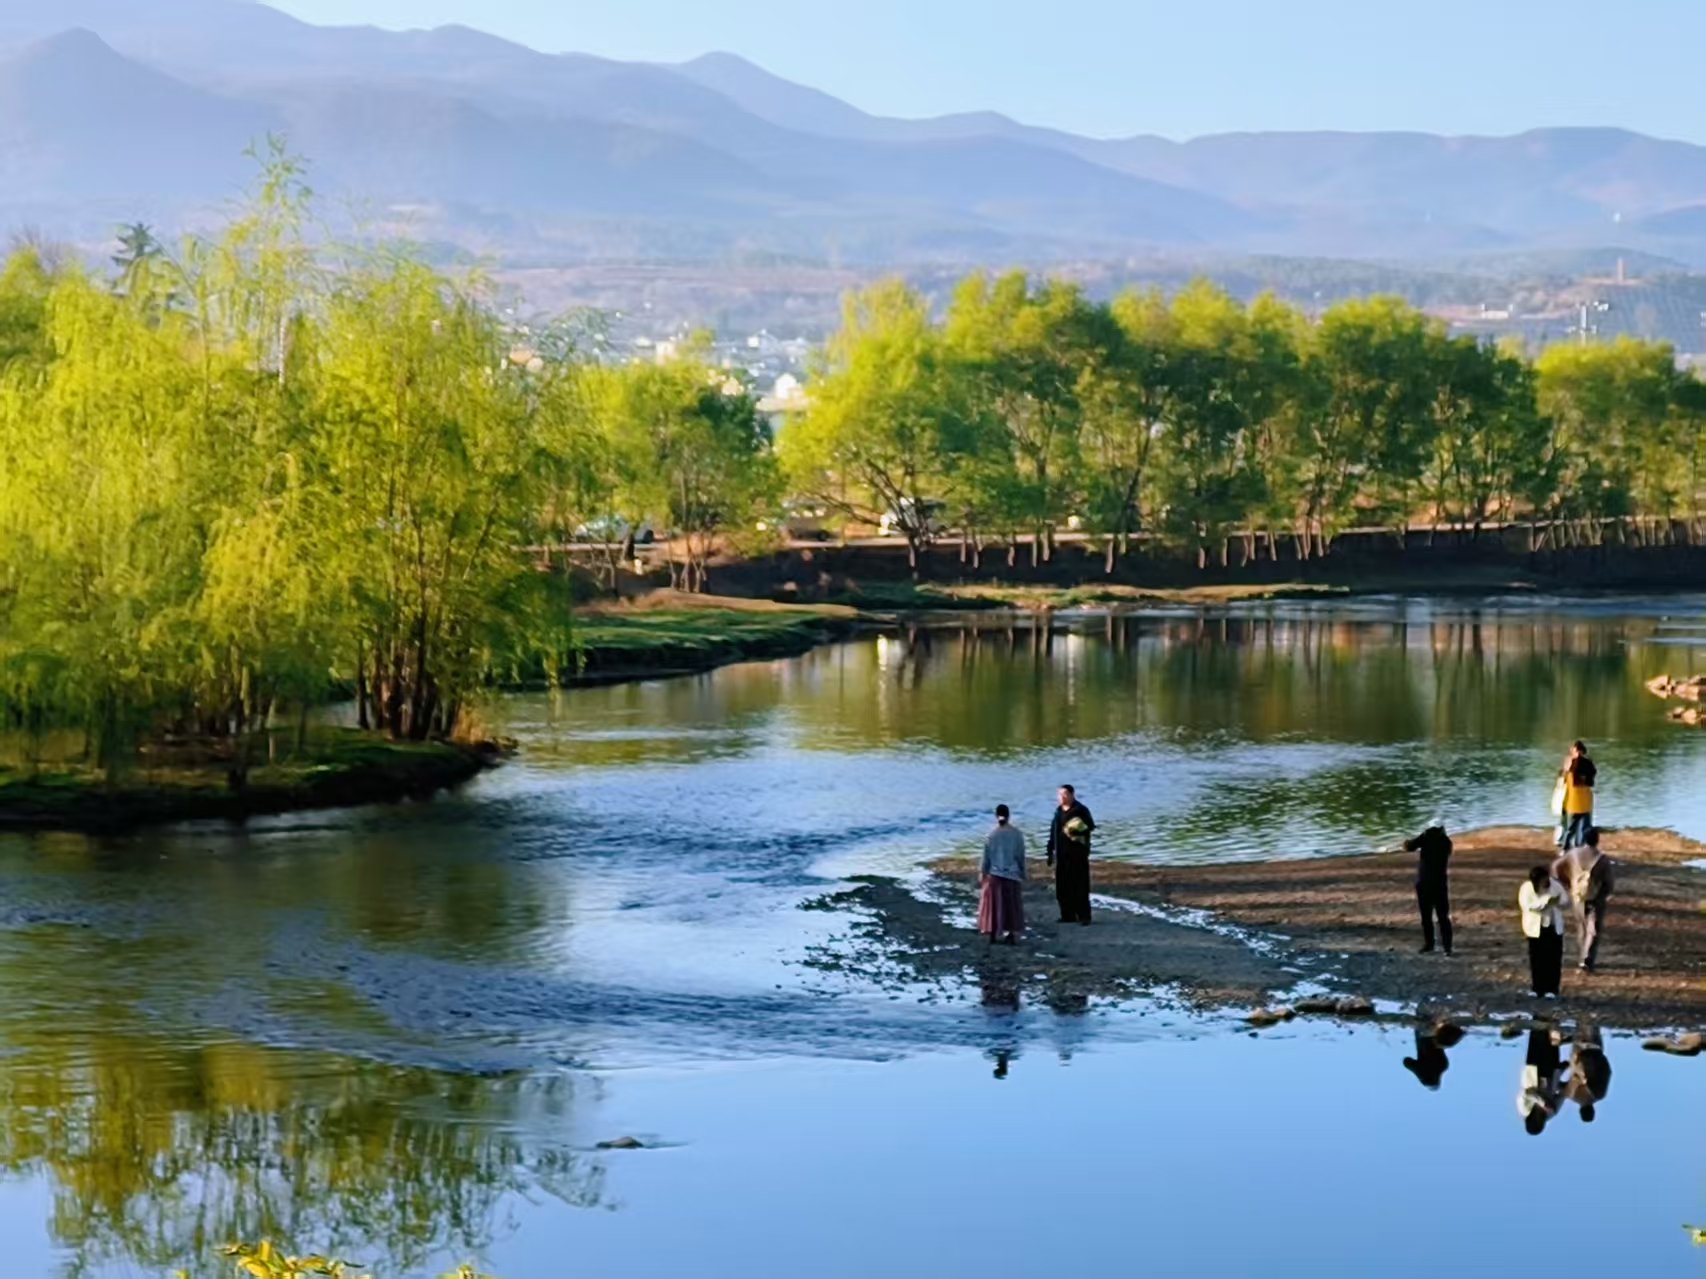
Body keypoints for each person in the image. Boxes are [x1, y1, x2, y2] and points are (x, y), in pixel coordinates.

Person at [1551, 826, 1615, 972]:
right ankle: (1587, 958)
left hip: (1577, 896)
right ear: (1597, 840)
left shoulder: (1573, 854)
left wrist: (1566, 883)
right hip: (1595, 897)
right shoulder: (1602, 859)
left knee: (1581, 927)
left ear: (1583, 839)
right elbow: (1609, 881)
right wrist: (1607, 893)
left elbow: (1556, 866)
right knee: (1593, 929)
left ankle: (1581, 958)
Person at [1402, 820, 1454, 955]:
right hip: (1440, 884)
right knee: (1443, 917)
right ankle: (1447, 948)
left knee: (1426, 917)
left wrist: (1405, 841)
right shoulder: (1446, 842)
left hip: (1424, 883)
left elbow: (1409, 847)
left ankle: (1429, 944)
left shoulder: (1425, 838)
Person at [1046, 785, 1096, 925]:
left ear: (1072, 795)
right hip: (1061, 855)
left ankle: (1084, 916)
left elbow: (1090, 827)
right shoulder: (1058, 812)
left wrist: (1076, 830)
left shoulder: (1080, 810)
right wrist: (1050, 852)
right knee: (1062, 887)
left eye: (1065, 794)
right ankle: (1067, 914)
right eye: (1059, 795)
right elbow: (1052, 833)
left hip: (1078, 855)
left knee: (1079, 886)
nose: (1062, 798)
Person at [978, 804, 1027, 945]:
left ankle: (993, 934)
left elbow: (985, 857)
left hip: (995, 875)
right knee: (1011, 906)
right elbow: (1020, 856)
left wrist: (982, 872)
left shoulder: (991, 835)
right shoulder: (1017, 834)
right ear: (1009, 815)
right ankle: (1011, 934)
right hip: (1011, 874)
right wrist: (1023, 873)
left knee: (994, 907)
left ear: (996, 816)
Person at [1518, 865, 1570, 998]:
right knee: (1537, 959)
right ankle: (1537, 987)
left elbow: (1565, 901)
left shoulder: (1555, 885)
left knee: (1553, 959)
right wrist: (1545, 902)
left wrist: (1557, 902)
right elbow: (1527, 906)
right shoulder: (1527, 888)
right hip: (1535, 928)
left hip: (1553, 926)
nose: (1546, 882)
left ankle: (1552, 988)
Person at [1562, 1020, 1612, 1123]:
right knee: (1580, 1023)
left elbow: (1607, 1071)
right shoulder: (1572, 1095)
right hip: (1578, 1055)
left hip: (1594, 1052)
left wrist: (1601, 1057)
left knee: (1592, 1022)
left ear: (1593, 1110)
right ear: (1580, 1110)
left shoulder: (1600, 1094)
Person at [1518, 1027, 1563, 1135]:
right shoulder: (1550, 1114)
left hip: (1534, 1069)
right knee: (1554, 1041)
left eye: (1537, 1121)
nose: (1540, 1119)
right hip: (1551, 1072)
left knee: (1538, 1037)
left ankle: (1539, 1016)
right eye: (1541, 1123)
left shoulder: (1524, 1109)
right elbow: (1562, 1095)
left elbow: (1527, 1093)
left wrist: (1542, 1103)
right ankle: (1556, 1019)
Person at [1559, 741, 1597, 850]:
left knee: (1571, 829)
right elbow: (1591, 781)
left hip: (1573, 803)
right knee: (1583, 828)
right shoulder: (1587, 766)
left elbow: (1563, 781)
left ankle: (1566, 849)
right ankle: (1580, 848)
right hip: (1584, 803)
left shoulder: (1570, 767)